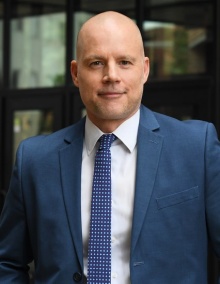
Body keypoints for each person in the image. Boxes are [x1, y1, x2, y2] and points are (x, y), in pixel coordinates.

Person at [0, 10, 220, 284]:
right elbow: (7, 262)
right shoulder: (34, 160)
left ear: (145, 69)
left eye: (125, 62)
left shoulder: (196, 148)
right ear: (75, 73)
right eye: (96, 63)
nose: (111, 75)